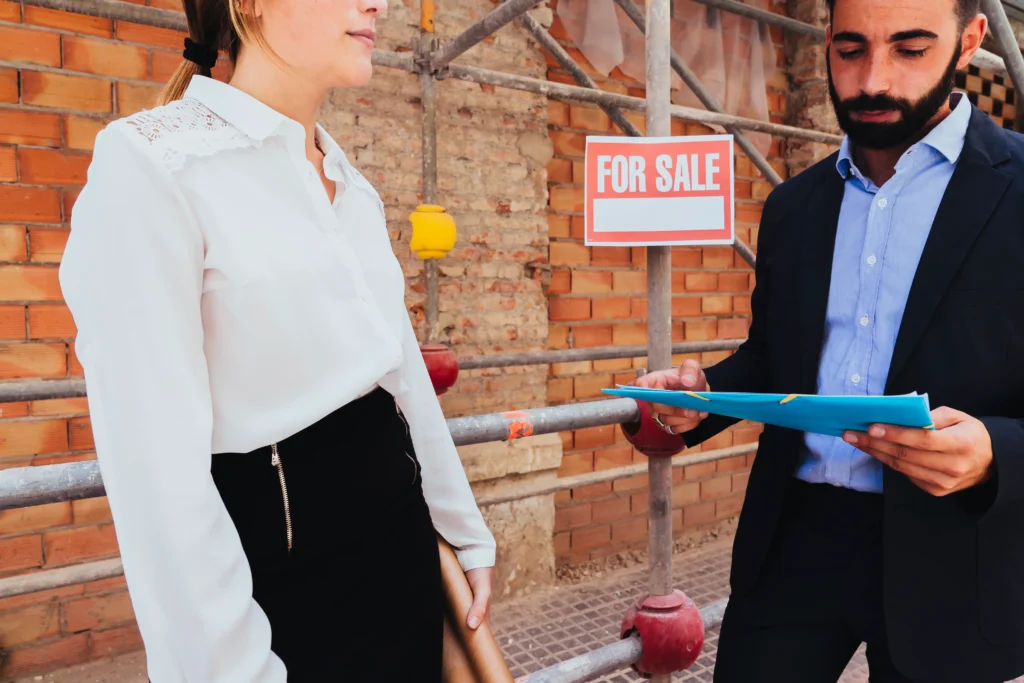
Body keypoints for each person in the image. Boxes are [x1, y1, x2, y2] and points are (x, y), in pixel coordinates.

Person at [58, 1, 496, 681]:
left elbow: (399, 374)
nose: (376, 2)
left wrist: (463, 529)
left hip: (403, 565)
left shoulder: (347, 180)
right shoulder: (151, 165)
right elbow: (157, 480)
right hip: (290, 593)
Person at [637, 0, 1024, 681]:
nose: (873, 79)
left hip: (956, 551)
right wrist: (707, 396)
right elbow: (777, 358)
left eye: (909, 49)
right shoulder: (794, 206)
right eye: (850, 50)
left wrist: (996, 453)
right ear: (826, 43)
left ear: (969, 41)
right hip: (794, 540)